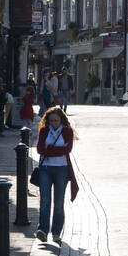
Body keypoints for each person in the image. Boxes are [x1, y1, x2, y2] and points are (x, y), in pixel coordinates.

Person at [35, 105, 78, 245]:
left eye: (56, 120)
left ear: (61, 120)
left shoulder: (67, 131)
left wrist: (50, 149)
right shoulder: (43, 131)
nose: (53, 123)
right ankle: (42, 230)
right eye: (51, 120)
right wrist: (56, 150)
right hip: (46, 169)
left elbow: (68, 149)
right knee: (45, 201)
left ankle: (56, 233)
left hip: (62, 170)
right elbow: (40, 149)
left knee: (58, 203)